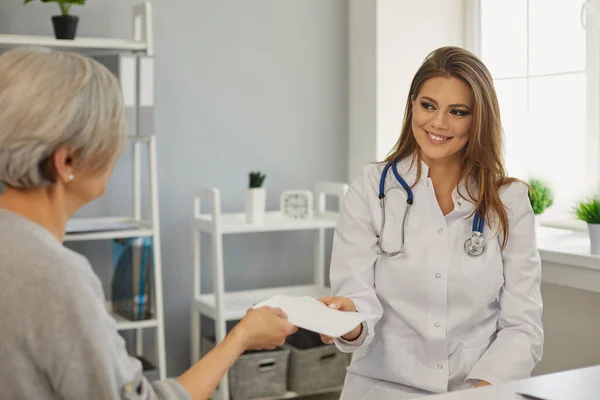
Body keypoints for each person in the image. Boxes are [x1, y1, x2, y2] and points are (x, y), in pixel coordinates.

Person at [0, 46, 296, 400]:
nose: (118, 150)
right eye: (112, 137)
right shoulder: (55, 277)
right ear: (66, 161)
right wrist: (241, 337)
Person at [319, 46, 543, 399]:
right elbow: (357, 301)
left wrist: (480, 393)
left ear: (478, 119)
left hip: (476, 390)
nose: (438, 123)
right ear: (412, 104)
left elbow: (522, 325)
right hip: (381, 388)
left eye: (458, 112)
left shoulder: (508, 202)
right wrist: (346, 322)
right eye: (428, 105)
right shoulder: (369, 190)